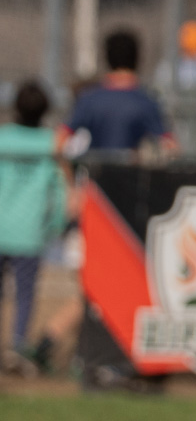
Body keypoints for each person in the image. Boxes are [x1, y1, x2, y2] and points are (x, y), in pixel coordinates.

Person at [0, 81, 67, 372]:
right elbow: (59, 190)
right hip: (29, 233)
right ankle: (17, 348)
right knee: (25, 293)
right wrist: (56, 225)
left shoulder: (3, 138)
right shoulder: (52, 144)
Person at [67, 31, 173, 154]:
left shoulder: (89, 99)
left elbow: (61, 139)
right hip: (132, 166)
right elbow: (170, 145)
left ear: (107, 57)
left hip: (96, 166)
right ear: (136, 58)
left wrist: (69, 166)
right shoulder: (146, 101)